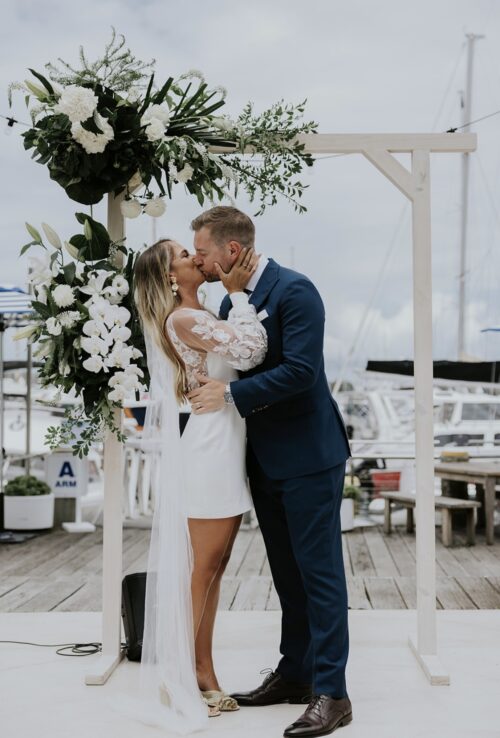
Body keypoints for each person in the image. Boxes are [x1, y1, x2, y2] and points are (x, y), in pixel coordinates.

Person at [188, 206, 353, 738]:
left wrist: (231, 394)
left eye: (204, 253)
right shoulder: (227, 298)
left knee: (320, 576)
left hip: (309, 457)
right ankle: (295, 674)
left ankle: (332, 692)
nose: (200, 260)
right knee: (287, 575)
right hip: (262, 460)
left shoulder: (296, 291)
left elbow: (302, 372)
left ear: (231, 251)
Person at [132, 237, 267, 730]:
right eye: (184, 257)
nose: (195, 258)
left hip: (223, 442)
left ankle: (201, 669)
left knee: (214, 567)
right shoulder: (184, 320)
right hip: (210, 448)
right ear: (171, 277)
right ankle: (183, 673)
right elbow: (252, 350)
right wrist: (243, 295)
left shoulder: (198, 312)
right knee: (203, 568)